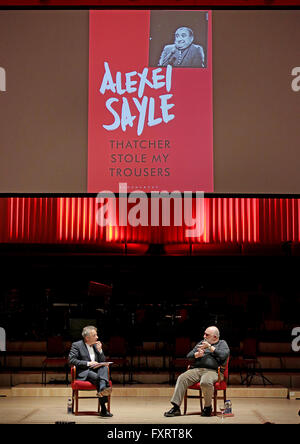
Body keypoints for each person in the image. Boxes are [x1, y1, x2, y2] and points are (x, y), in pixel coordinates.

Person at [164, 326, 229, 417]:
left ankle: (207, 407)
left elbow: (223, 356)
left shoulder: (222, 343)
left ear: (215, 337)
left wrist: (209, 347)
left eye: (207, 334)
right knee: (182, 378)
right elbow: (188, 355)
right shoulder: (202, 343)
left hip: (213, 372)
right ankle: (176, 408)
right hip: (197, 370)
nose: (204, 336)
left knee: (205, 382)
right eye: (204, 334)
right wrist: (196, 355)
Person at [68, 325, 113, 417]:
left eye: (97, 335)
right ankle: (103, 408)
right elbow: (71, 360)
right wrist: (88, 363)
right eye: (95, 335)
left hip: (97, 370)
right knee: (100, 379)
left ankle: (102, 393)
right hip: (85, 371)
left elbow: (102, 361)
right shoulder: (77, 345)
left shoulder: (96, 345)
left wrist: (100, 351)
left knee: (104, 367)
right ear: (87, 338)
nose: (97, 337)